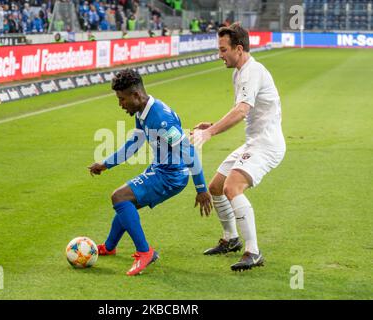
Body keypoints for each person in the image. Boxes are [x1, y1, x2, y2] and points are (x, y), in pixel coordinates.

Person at [88, 69, 212, 276]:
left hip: (171, 175)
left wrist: (201, 189)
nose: (120, 104)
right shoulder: (142, 111)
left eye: (122, 99)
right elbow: (134, 143)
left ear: (136, 95)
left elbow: (188, 152)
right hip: (160, 168)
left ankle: (145, 252)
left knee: (119, 197)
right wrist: (106, 164)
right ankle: (109, 246)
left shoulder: (160, 119)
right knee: (126, 203)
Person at [191, 23, 286, 271]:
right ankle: (231, 238)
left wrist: (210, 132)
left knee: (232, 187)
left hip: (267, 144)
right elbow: (242, 111)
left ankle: (253, 251)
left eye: (223, 50)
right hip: (254, 141)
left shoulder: (252, 71)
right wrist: (211, 125)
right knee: (216, 187)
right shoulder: (239, 72)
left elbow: (242, 110)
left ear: (239, 48)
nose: (219, 55)